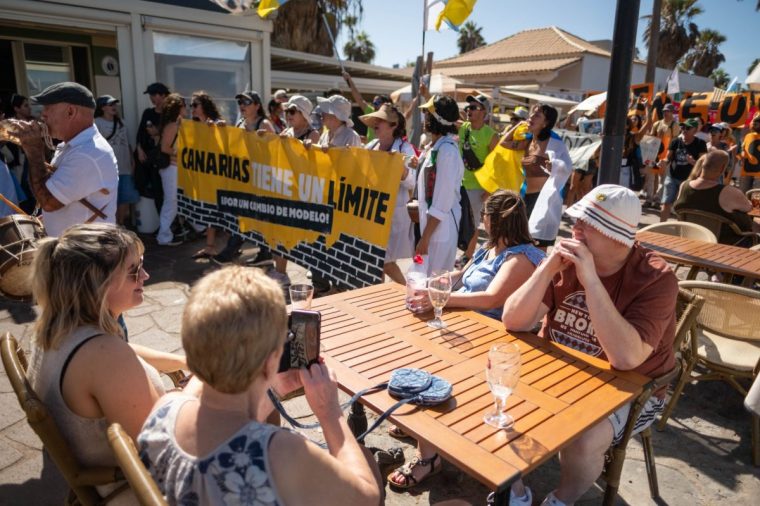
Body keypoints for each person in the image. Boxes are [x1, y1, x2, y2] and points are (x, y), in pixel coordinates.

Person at [137, 266, 383, 505]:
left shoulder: (166, 408)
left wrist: (274, 389)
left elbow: (231, 426)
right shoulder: (279, 451)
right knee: (367, 461)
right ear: (270, 361)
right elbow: (366, 497)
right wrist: (330, 411)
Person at [503, 184, 678, 506]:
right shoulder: (565, 262)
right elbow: (514, 321)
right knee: (499, 397)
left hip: (633, 389)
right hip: (561, 371)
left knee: (583, 438)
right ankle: (514, 492)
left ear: (615, 235)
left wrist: (591, 281)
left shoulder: (655, 278)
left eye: (586, 224)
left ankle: (561, 499)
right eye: (576, 221)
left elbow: (627, 359)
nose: (575, 229)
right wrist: (546, 269)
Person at [389, 190, 545, 490]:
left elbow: (492, 298)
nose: (481, 219)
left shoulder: (523, 257)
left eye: (485, 214)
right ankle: (426, 430)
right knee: (413, 346)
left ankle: (428, 455)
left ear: (497, 219)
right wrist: (436, 282)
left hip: (498, 342)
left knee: (430, 363)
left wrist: (442, 299)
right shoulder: (492, 248)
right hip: (470, 330)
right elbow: (466, 273)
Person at [26, 224, 187, 500]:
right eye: (134, 270)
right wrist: (194, 393)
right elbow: (161, 452)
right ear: (96, 282)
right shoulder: (106, 357)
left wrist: (186, 362)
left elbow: (125, 351)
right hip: (136, 491)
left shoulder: (60, 329)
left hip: (104, 476)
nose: (145, 276)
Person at [14, 82, 118, 237]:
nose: (43, 115)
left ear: (70, 112)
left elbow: (48, 201)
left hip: (84, 253)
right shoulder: (73, 147)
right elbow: (54, 193)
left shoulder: (87, 153)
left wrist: (34, 152)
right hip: (76, 249)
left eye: (48, 108)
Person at [212, 91, 277, 266]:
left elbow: (276, 151)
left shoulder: (264, 123)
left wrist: (254, 136)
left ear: (257, 105)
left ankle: (235, 250)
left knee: (256, 216)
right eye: (240, 102)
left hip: (262, 179)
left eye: (247, 102)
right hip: (244, 178)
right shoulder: (240, 122)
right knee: (245, 215)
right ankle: (258, 251)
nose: (242, 105)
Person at [360, 103, 417, 284]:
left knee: (385, 263)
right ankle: (381, 296)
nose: (376, 122)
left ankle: (408, 290)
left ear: (393, 125)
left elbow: (412, 182)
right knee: (375, 262)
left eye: (381, 120)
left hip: (393, 214)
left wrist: (399, 168)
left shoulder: (405, 149)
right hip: (372, 212)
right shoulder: (371, 145)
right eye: (375, 119)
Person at [415, 95, 464, 274]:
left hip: (440, 228)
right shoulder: (436, 146)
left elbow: (442, 202)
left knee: (434, 285)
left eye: (427, 113)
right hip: (432, 227)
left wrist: (425, 238)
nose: (424, 116)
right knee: (425, 281)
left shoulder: (447, 151)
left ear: (435, 119)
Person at [674, 150, 759, 245]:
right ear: (723, 168)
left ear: (702, 164)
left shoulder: (684, 186)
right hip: (725, 246)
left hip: (690, 240)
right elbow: (748, 207)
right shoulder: (729, 192)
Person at [524, 103, 574, 249]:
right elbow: (503, 145)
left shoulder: (555, 142)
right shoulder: (526, 139)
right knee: (522, 243)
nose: (531, 116)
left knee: (538, 245)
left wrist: (555, 166)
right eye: (532, 113)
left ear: (546, 123)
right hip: (524, 197)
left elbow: (567, 166)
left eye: (537, 115)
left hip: (543, 200)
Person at [458, 94, 499, 265]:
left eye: (473, 107)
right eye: (468, 108)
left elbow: (496, 165)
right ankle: (462, 254)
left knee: (472, 224)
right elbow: (442, 115)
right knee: (457, 221)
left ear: (484, 112)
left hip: (476, 188)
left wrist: (489, 190)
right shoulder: (463, 128)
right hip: (458, 185)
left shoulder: (491, 135)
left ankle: (467, 257)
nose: (469, 111)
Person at [188, 91, 224, 258]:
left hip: (217, 175)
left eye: (195, 105)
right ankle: (210, 246)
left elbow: (225, 146)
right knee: (209, 209)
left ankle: (230, 245)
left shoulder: (217, 124)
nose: (192, 108)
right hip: (203, 174)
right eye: (191, 105)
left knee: (219, 210)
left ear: (204, 106)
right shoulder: (195, 126)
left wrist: (215, 130)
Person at [94, 95, 138, 227]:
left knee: (126, 197)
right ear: (102, 107)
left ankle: (121, 223)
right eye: (110, 104)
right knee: (110, 199)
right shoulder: (96, 123)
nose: (114, 107)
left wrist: (132, 159)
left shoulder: (122, 122)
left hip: (124, 166)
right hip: (107, 168)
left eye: (115, 104)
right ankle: (111, 225)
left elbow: (128, 144)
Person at [659, 117, 708, 222]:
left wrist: (693, 162)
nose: (684, 130)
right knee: (666, 202)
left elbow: (703, 164)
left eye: (688, 128)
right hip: (672, 176)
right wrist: (663, 162)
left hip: (688, 180)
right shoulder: (675, 141)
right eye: (683, 127)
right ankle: (659, 228)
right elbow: (668, 157)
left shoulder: (700, 144)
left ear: (695, 130)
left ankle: (680, 230)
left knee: (682, 206)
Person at [155, 93, 185, 246]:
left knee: (177, 201)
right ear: (179, 108)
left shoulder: (178, 124)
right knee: (171, 201)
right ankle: (164, 236)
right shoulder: (172, 125)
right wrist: (181, 154)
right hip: (171, 168)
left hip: (176, 168)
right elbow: (165, 148)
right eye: (185, 106)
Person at [135, 83, 169, 210]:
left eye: (154, 95)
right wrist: (139, 150)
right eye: (151, 95)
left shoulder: (170, 115)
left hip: (164, 159)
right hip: (147, 157)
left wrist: (158, 133)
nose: (152, 98)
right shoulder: (148, 113)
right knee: (152, 190)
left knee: (166, 193)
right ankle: (159, 224)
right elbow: (140, 133)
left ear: (164, 95)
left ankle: (171, 225)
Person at [343, 70, 392, 142]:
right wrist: (349, 80)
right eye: (374, 102)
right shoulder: (371, 111)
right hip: (372, 148)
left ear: (386, 103)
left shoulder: (392, 118)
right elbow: (359, 99)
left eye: (377, 102)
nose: (374, 104)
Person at [649, 103, 681, 209]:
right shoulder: (657, 124)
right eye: (664, 111)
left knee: (662, 179)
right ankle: (650, 199)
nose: (665, 113)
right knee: (651, 178)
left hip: (666, 155)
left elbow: (676, 141)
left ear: (672, 113)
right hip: (655, 154)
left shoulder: (675, 126)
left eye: (668, 111)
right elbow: (651, 138)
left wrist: (670, 157)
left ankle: (657, 200)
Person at [739, 113, 760, 192]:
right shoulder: (748, 136)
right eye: (754, 123)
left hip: (758, 174)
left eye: (757, 123)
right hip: (746, 171)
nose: (754, 124)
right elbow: (743, 149)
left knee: (756, 197)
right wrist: (742, 153)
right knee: (742, 194)